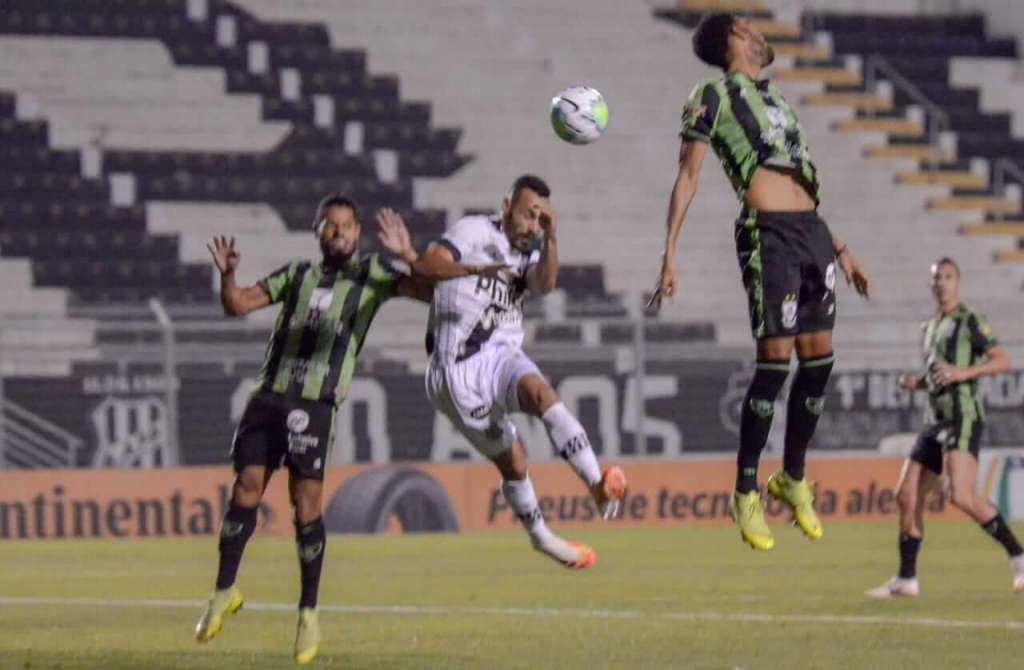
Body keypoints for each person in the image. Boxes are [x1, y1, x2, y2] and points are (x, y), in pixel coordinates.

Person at [194, 194, 490, 664]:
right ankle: (222, 592)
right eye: (330, 226)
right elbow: (236, 305)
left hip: (314, 407)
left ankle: (308, 614)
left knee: (304, 505)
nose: (338, 233)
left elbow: (430, 290)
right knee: (245, 491)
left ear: (358, 233)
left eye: (347, 226)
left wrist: (408, 255)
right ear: (317, 230)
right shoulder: (296, 275)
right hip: (267, 399)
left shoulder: (371, 275)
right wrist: (228, 275)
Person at [652, 12, 870, 551]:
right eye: (750, 24)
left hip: (811, 232)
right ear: (734, 38)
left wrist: (839, 247)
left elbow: (799, 181)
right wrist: (669, 253)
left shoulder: (778, 102)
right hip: (767, 234)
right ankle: (746, 491)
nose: (761, 31)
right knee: (774, 363)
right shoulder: (712, 93)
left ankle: (792, 479)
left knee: (818, 363)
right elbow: (688, 173)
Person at [376, 174, 627, 569]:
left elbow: (543, 285)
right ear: (506, 207)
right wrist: (473, 271)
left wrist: (552, 240)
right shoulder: (474, 231)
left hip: (501, 353)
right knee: (514, 463)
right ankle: (542, 538)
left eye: (540, 219)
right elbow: (429, 267)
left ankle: (597, 483)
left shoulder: (530, 250)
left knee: (543, 395)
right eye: (528, 216)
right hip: (456, 374)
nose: (531, 226)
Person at [866, 257, 1022, 598]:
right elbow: (938, 376)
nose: (941, 283)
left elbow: (1001, 361)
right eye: (936, 278)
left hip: (962, 417)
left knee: (961, 496)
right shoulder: (929, 328)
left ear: (958, 282)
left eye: (948, 277)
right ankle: (906, 580)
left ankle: (1018, 556)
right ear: (930, 284)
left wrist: (964, 373)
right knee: (906, 495)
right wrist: (917, 384)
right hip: (933, 421)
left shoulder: (971, 321)